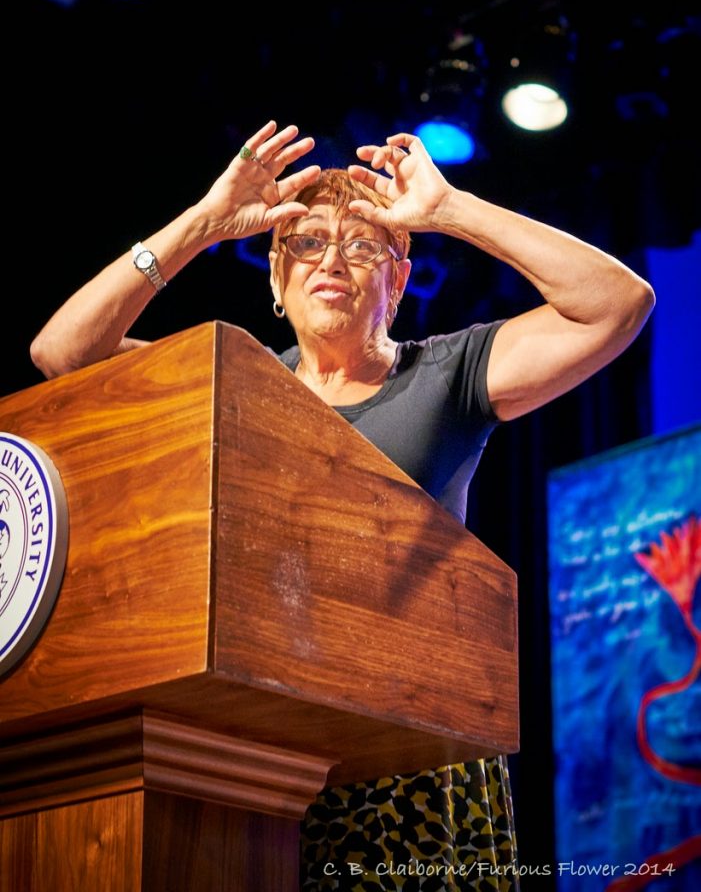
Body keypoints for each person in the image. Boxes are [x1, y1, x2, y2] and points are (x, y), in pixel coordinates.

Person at [30, 119, 655, 890]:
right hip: (255, 744)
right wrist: (202, 222)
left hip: (405, 751)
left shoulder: (446, 375)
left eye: (364, 246)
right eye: (306, 243)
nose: (331, 260)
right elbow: (65, 354)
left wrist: (451, 210)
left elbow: (615, 304)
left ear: (397, 283)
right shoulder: (235, 382)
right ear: (273, 279)